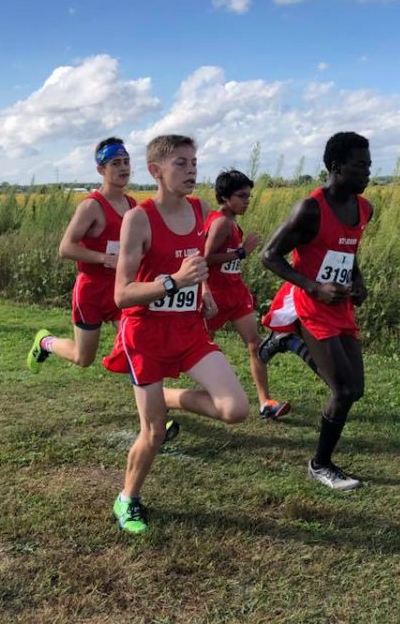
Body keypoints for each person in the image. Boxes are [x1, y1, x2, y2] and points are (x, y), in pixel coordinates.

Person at [103, 134, 249, 533]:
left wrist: (200, 291)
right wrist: (174, 283)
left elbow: (193, 259)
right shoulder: (139, 218)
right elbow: (122, 294)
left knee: (235, 409)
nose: (191, 171)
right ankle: (127, 498)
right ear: (156, 171)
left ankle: (165, 396)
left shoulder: (200, 209)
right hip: (146, 333)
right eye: (181, 163)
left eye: (194, 162)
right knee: (152, 432)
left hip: (188, 330)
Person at [261, 132, 373, 492]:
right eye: (360, 166)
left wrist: (358, 281)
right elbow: (269, 256)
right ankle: (321, 464)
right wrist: (313, 286)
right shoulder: (309, 209)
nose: (367, 173)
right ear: (337, 167)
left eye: (369, 165)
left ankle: (287, 342)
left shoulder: (364, 207)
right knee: (341, 390)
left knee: (355, 389)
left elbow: (349, 252)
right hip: (311, 305)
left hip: (341, 306)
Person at [26, 137, 137, 371]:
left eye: (126, 161)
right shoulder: (91, 206)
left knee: (138, 347)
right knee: (82, 358)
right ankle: (46, 342)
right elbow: (65, 248)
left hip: (121, 289)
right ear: (101, 169)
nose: (123, 168)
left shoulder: (132, 205)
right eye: (115, 163)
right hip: (92, 291)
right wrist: (105, 258)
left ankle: (155, 401)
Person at [204, 169, 289, 420]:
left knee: (256, 345)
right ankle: (160, 395)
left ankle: (265, 402)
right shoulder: (220, 222)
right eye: (242, 196)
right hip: (216, 297)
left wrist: (238, 255)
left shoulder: (230, 221)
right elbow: (205, 258)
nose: (247, 201)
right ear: (225, 197)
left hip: (236, 294)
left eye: (249, 196)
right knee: (197, 349)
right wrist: (241, 253)